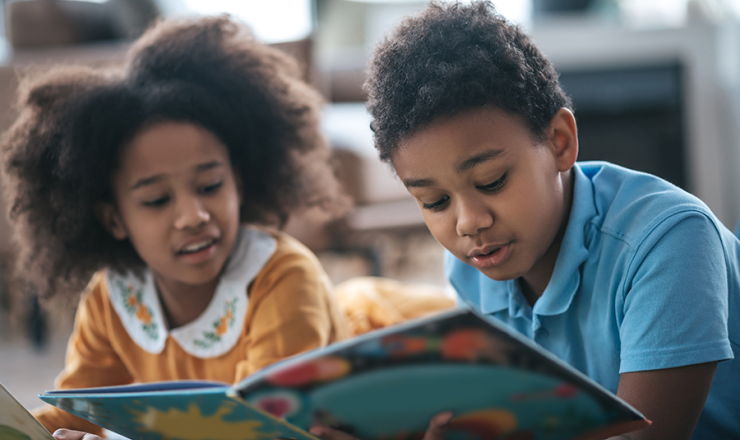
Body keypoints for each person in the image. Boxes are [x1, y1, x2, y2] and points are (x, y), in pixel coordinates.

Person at [312, 2, 739, 440]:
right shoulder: (470, 266)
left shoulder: (670, 240)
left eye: (492, 181)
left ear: (560, 142)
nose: (468, 223)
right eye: (436, 201)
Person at [0, 15, 353, 438]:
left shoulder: (284, 277)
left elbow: (259, 425)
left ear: (238, 181)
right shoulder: (112, 298)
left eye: (209, 185)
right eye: (157, 200)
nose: (193, 215)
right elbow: (76, 409)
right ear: (113, 218)